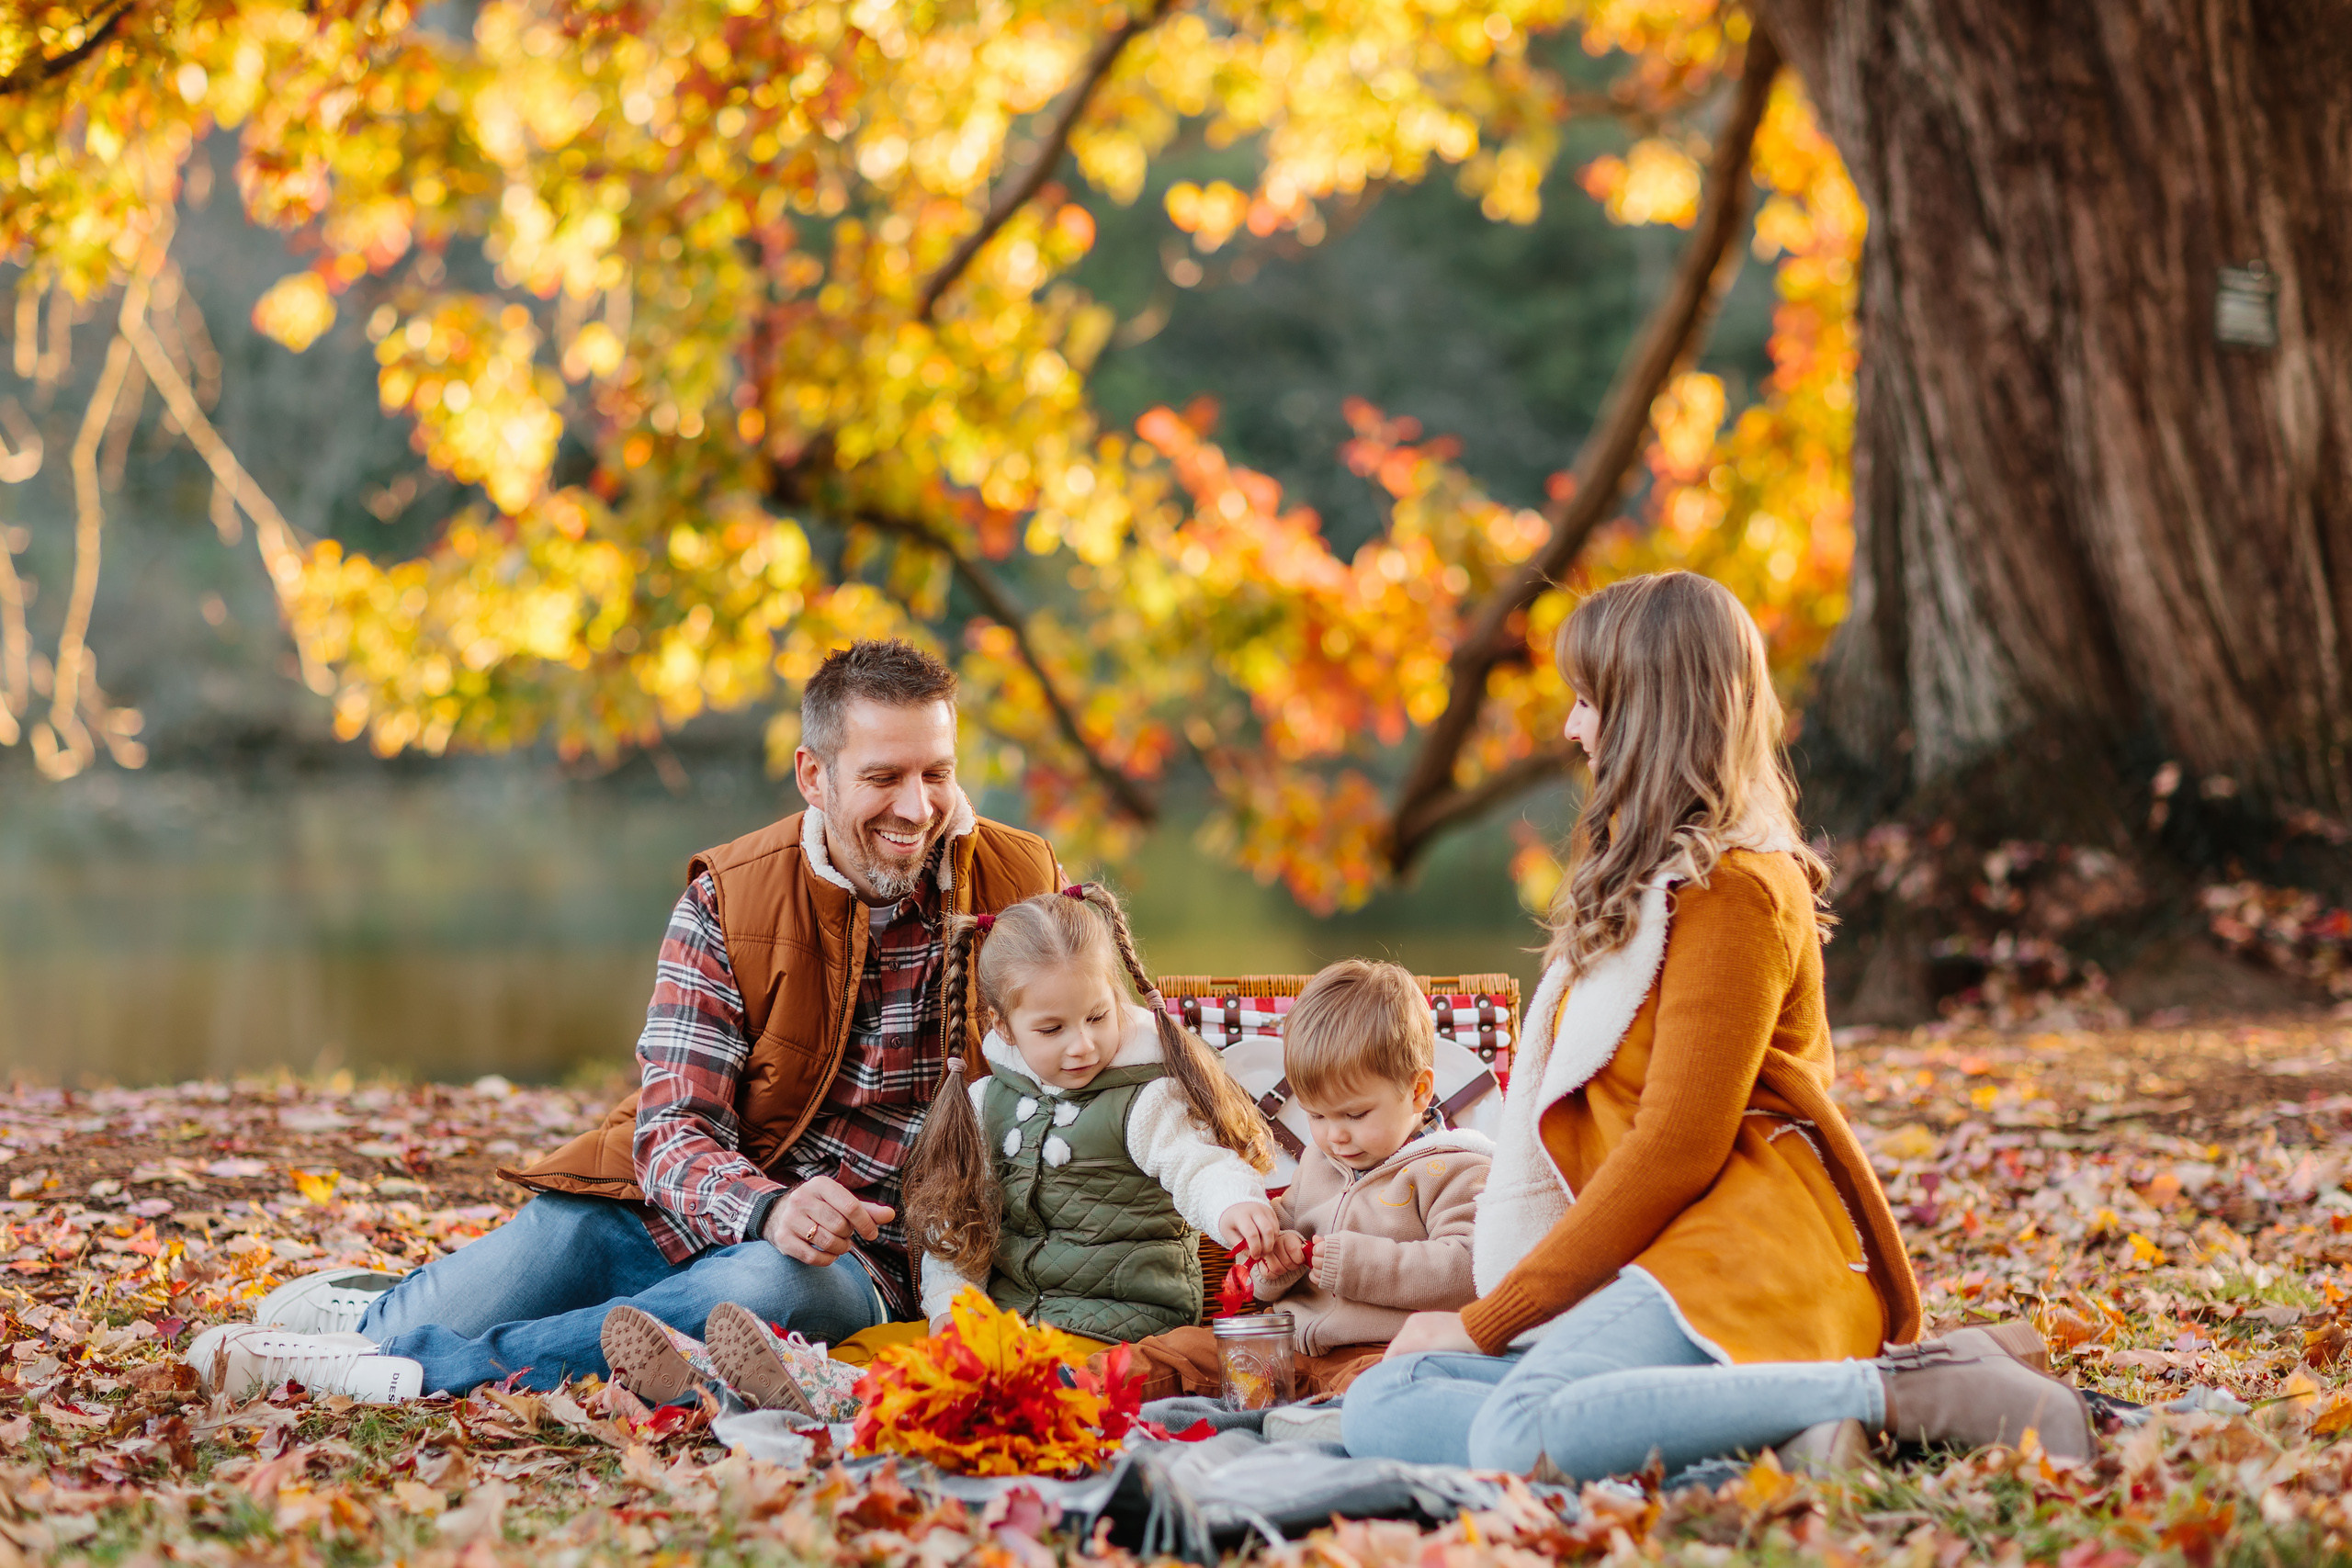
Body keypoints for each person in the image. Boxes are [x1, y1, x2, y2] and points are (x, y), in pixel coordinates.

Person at [1340, 571, 2094, 1480]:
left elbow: (1677, 1146)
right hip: (1651, 1259)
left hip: (1752, 1253)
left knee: (1512, 1431)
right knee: (1384, 1399)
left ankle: (1904, 1390)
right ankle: (1779, 1430)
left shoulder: (1736, 891)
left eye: (1588, 701)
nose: (1572, 728)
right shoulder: (1641, 898)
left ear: (1650, 713)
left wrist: (1488, 1321)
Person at [187, 639, 1064, 1401]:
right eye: (883, 777)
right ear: (813, 775)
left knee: (762, 1291)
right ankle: (369, 1311)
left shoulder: (1021, 880)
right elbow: (674, 1130)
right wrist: (765, 1206)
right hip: (697, 1206)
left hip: (863, 1259)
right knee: (554, 1244)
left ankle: (418, 1368)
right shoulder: (730, 897)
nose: (916, 808)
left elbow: (1093, 1055)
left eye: (936, 774)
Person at [902, 886, 1281, 1343]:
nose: (1082, 1045)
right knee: (876, 1359)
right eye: (1052, 1029)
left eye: (1097, 1017)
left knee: (1040, 1382)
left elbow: (1197, 1165)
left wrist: (1233, 1202)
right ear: (1003, 1027)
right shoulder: (987, 1102)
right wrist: (952, 1308)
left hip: (1124, 1331)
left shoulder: (1145, 1098)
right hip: (1011, 1324)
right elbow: (958, 1222)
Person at [1247, 959, 1490, 1359]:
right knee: (1169, 1353)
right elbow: (1261, 1280)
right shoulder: (1318, 1162)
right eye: (1316, 1116)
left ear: (1418, 1091)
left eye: (1356, 1115)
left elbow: (1469, 1272)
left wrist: (1354, 1264)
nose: (1334, 1136)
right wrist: (1277, 1264)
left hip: (1385, 1355)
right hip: (1287, 1346)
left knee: (1368, 1389)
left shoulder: (1455, 1169)